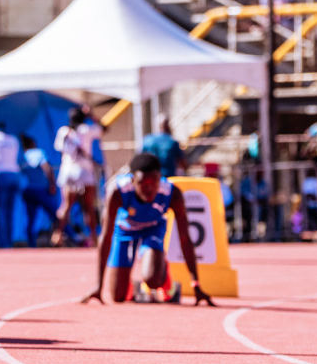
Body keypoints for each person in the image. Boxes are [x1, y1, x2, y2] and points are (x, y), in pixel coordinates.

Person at [81, 153, 214, 307]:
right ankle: (133, 288)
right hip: (125, 230)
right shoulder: (117, 192)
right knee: (117, 297)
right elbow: (106, 237)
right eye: (143, 183)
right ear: (133, 181)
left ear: (160, 178)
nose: (149, 188)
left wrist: (195, 284)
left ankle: (167, 282)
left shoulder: (172, 194)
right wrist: (99, 286)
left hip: (153, 228)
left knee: (152, 279)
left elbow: (185, 238)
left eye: (154, 182)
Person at [52, 106, 104, 247]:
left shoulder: (63, 131)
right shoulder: (86, 129)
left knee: (66, 205)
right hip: (84, 170)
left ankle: (57, 234)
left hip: (68, 169)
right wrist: (91, 115)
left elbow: (60, 150)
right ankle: (93, 237)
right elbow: (103, 128)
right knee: (88, 207)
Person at [18, 134, 57, 248]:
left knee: (30, 218)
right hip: (40, 190)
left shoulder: (22, 156)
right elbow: (46, 168)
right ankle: (70, 236)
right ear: (33, 144)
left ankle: (31, 244)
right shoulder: (39, 153)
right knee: (55, 215)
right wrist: (52, 183)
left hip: (28, 190)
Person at [141, 115, 186, 179]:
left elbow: (141, 159)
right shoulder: (172, 141)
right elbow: (182, 163)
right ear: (167, 125)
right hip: (168, 178)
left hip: (152, 179)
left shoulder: (147, 140)